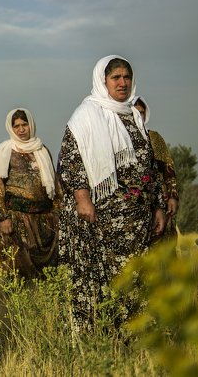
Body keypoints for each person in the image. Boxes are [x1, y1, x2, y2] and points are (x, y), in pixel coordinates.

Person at [57, 55, 165, 331]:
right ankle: (106, 337)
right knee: (107, 280)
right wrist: (82, 198)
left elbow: (149, 166)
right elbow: (71, 161)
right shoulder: (86, 115)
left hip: (137, 219)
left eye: (127, 77)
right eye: (116, 77)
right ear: (102, 80)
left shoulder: (134, 116)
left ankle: (135, 335)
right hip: (102, 217)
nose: (123, 83)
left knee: (136, 277)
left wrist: (158, 206)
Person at [0, 108, 60, 279]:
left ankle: (48, 303)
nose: (21, 129)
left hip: (44, 218)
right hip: (16, 219)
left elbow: (55, 185)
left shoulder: (42, 150)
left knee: (48, 271)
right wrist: (2, 217)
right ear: (11, 128)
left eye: (24, 124)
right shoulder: (5, 150)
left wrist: (57, 213)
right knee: (18, 269)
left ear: (31, 125)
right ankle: (21, 305)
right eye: (16, 125)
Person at [133, 96, 179, 241]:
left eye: (142, 112)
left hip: (159, 198)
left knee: (164, 240)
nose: (139, 115)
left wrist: (172, 196)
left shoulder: (154, 137)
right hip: (134, 200)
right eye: (135, 112)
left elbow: (168, 169)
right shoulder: (119, 139)